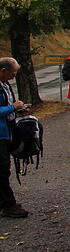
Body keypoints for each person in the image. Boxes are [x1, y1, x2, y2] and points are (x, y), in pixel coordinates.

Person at [0, 57, 29, 218]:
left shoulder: (4, 84)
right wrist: (13, 107)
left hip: (6, 132)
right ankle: (8, 205)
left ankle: (6, 202)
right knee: (2, 170)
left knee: (4, 169)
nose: (14, 77)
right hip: (1, 134)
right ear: (3, 71)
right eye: (12, 73)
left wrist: (18, 110)